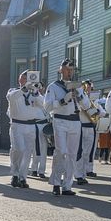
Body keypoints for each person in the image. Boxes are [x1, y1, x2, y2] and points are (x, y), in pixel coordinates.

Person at [44, 58, 89, 196]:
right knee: (61, 151)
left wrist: (79, 97)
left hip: (75, 121)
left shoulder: (79, 86)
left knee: (72, 154)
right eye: (67, 69)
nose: (70, 72)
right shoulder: (53, 86)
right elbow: (47, 106)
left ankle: (67, 185)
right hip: (60, 121)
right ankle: (56, 182)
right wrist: (63, 100)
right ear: (61, 71)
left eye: (71, 70)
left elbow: (86, 106)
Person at [6, 70, 45, 188]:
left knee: (28, 152)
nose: (27, 80)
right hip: (17, 125)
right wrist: (24, 88)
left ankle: (22, 177)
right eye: (24, 78)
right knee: (19, 149)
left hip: (31, 126)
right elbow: (11, 98)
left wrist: (36, 92)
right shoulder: (13, 91)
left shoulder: (33, 94)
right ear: (20, 80)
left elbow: (43, 104)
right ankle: (15, 174)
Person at [74, 80, 104, 185]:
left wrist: (98, 112)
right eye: (87, 87)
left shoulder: (94, 101)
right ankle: (78, 175)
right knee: (79, 152)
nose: (89, 89)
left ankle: (83, 174)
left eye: (90, 88)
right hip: (81, 126)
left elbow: (103, 112)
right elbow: (78, 108)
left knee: (87, 152)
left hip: (91, 127)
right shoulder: (79, 99)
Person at [28, 91, 50, 179]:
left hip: (43, 125)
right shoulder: (29, 96)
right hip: (33, 125)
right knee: (34, 148)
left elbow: (44, 105)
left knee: (43, 149)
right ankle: (33, 169)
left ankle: (41, 171)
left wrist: (37, 94)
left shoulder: (43, 98)